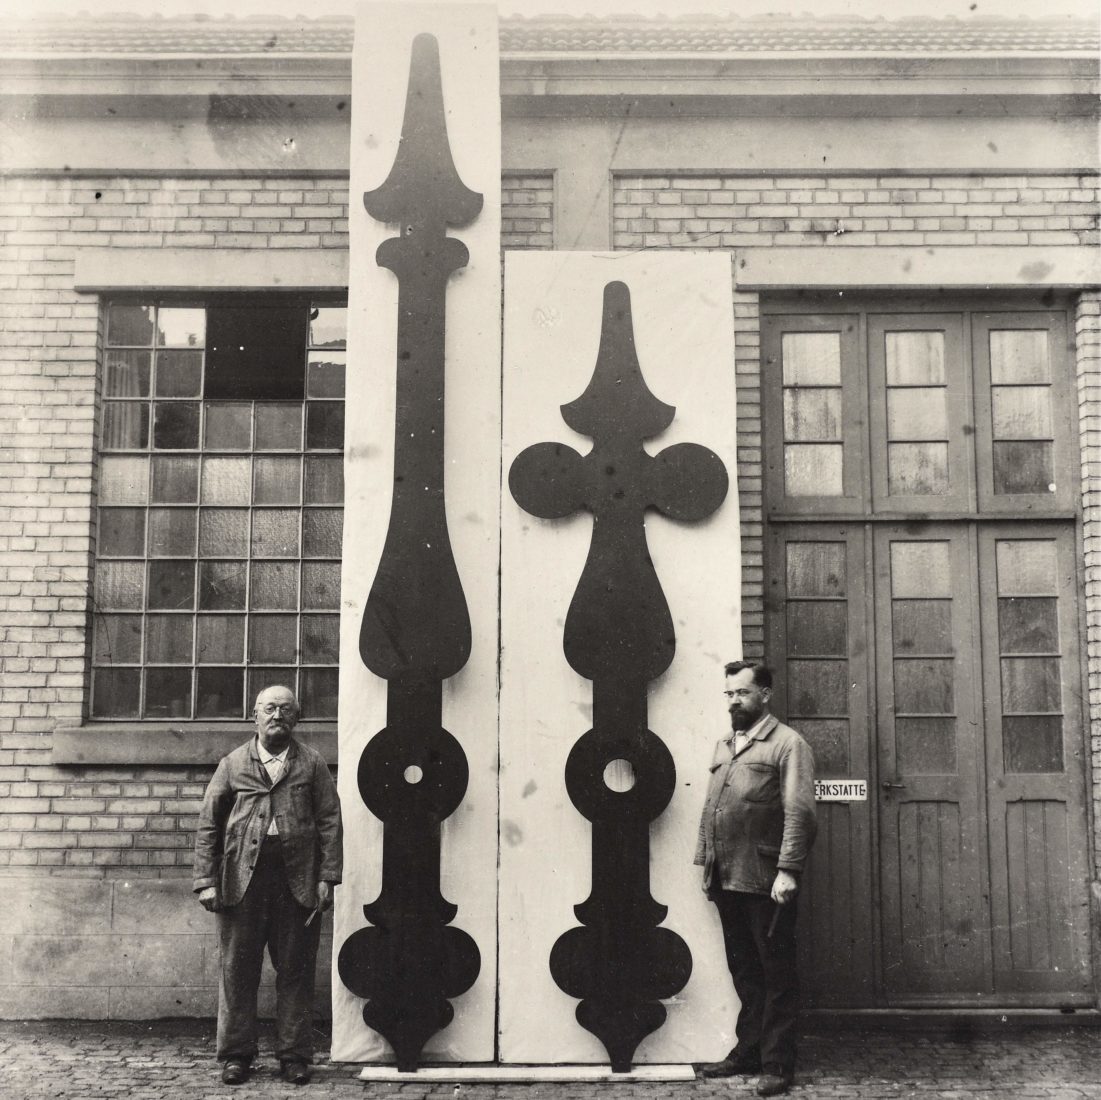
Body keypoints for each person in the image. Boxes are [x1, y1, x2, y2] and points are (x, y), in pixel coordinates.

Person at [194, 684, 342, 1086]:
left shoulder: (311, 764)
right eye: (269, 709)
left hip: (296, 882)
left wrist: (328, 877)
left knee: (295, 970)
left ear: (297, 718)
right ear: (254, 716)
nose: (277, 716)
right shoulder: (232, 764)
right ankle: (236, 1056)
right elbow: (209, 824)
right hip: (242, 883)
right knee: (237, 970)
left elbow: (330, 821)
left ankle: (294, 1055)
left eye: (286, 710)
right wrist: (206, 881)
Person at [694, 661, 817, 1097]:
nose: (734, 701)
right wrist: (706, 865)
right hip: (728, 877)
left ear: (764, 694)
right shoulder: (725, 744)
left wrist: (788, 870)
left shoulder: (788, 745)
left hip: (767, 880)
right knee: (745, 970)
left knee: (777, 972)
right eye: (728, 694)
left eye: (742, 693)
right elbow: (714, 809)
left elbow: (799, 813)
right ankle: (747, 1052)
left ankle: (778, 1065)